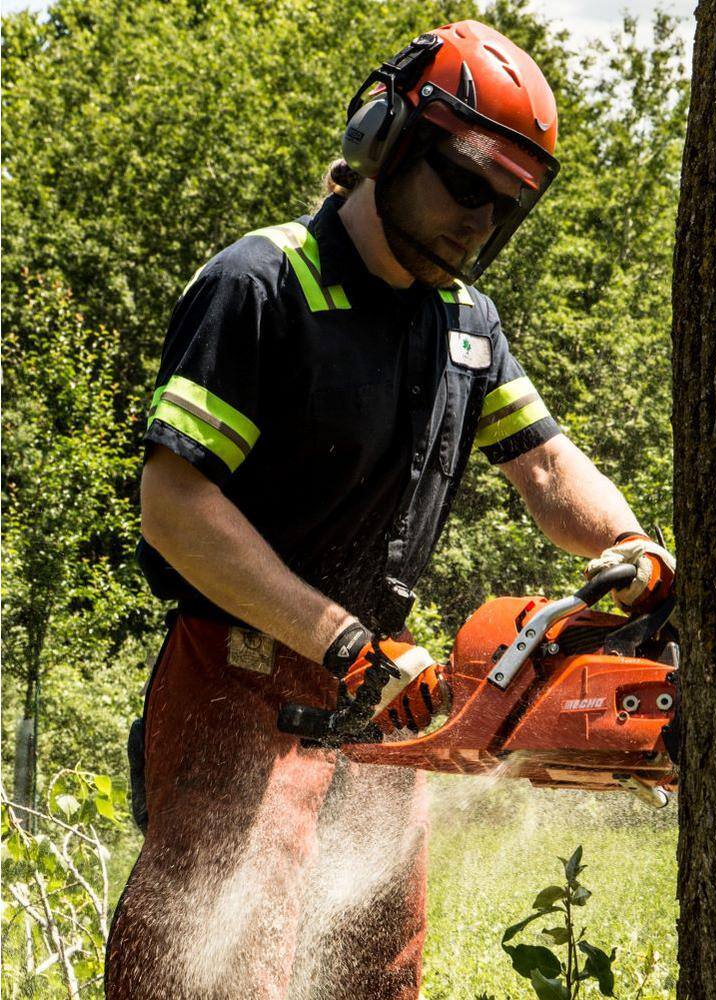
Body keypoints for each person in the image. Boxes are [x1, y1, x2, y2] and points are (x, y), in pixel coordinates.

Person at [104, 20, 674, 1000]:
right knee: (218, 974)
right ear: (387, 140)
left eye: (506, 204)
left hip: (387, 692)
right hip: (242, 679)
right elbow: (174, 503)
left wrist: (629, 545)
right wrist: (342, 643)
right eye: (467, 185)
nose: (481, 221)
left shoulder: (465, 322)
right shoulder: (263, 285)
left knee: (376, 973)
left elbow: (544, 467)